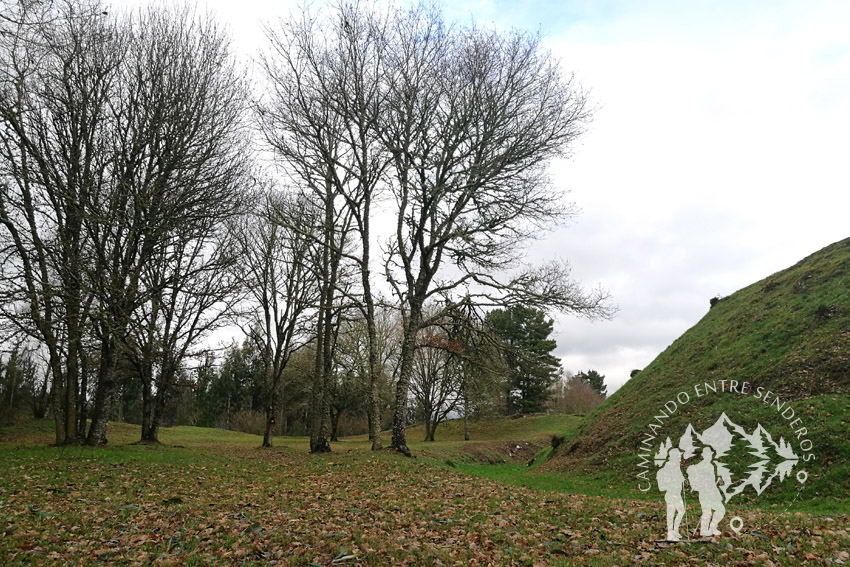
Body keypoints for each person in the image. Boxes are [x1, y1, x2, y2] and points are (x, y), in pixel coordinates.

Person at [687, 446, 725, 537]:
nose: (709, 456)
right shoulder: (700, 466)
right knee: (708, 511)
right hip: (705, 492)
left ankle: (711, 527)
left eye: (710, 455)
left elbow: (711, 480)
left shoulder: (711, 466)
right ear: (704, 456)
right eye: (707, 455)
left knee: (719, 510)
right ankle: (705, 530)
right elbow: (700, 480)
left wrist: (718, 481)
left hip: (712, 491)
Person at [656, 448, 685, 541]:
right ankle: (670, 533)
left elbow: (680, 477)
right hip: (671, 493)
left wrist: (682, 480)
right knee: (671, 513)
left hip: (677, 493)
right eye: (679, 457)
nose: (680, 459)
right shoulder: (669, 466)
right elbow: (668, 479)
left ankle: (675, 530)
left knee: (681, 511)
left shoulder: (676, 466)